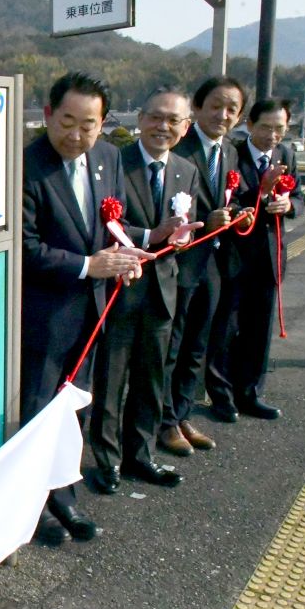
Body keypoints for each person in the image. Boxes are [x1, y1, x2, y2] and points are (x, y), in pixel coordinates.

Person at [21, 71, 151, 545]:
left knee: (74, 410)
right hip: (42, 317)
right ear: (49, 114)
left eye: (88, 125)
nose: (76, 135)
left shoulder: (108, 158)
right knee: (36, 413)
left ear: (103, 124)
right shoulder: (26, 165)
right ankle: (31, 510)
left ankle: (65, 497)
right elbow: (25, 246)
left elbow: (111, 224)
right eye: (67, 122)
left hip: (92, 312)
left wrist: (127, 255)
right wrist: (86, 265)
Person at [89, 87, 202, 494]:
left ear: (186, 126)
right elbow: (104, 222)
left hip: (163, 290)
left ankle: (141, 454)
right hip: (122, 287)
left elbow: (188, 223)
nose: (163, 126)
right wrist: (151, 235)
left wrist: (182, 238)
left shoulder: (186, 170)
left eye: (174, 120)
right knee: (111, 378)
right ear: (140, 118)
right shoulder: (114, 162)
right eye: (156, 117)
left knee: (152, 379)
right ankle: (106, 460)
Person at [160, 76, 247, 456]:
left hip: (213, 263)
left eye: (231, 109)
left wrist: (238, 216)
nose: (222, 115)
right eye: (215, 105)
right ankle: (163, 422)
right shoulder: (180, 145)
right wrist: (201, 222)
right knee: (171, 346)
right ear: (196, 108)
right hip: (179, 264)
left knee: (198, 345)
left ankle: (182, 413)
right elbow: (162, 205)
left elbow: (233, 197)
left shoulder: (228, 152)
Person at [211, 98, 305, 420]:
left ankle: (250, 393)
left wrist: (289, 205)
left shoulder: (286, 155)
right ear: (249, 125)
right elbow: (230, 201)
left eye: (279, 128)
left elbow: (300, 196)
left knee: (259, 330)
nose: (272, 135)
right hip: (235, 256)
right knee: (226, 329)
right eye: (265, 127)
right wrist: (261, 196)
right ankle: (221, 396)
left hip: (269, 256)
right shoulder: (231, 155)